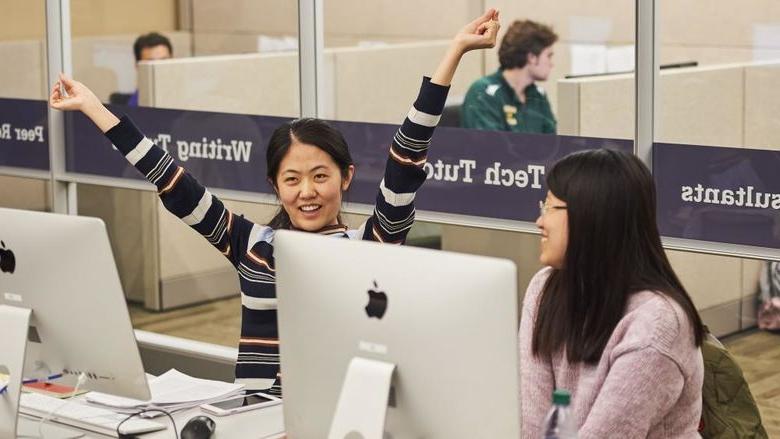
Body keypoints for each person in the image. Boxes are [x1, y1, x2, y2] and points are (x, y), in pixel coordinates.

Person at [50, 10, 500, 395]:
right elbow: (169, 178)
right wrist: (94, 107)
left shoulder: (372, 246)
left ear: (345, 178)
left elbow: (406, 156)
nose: (307, 192)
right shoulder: (252, 245)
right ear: (275, 185)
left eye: (320, 176)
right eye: (292, 179)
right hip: (250, 417)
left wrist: (454, 54)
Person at [520, 149, 705, 438]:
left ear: (592, 216)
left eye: (550, 207)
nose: (539, 221)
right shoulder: (545, 288)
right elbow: (533, 424)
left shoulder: (658, 323)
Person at [461, 19, 557, 133]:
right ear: (532, 57)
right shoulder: (483, 92)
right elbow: (490, 147)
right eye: (549, 56)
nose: (552, 64)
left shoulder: (538, 95)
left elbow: (552, 145)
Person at [111, 32, 173, 106]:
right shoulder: (123, 107)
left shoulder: (188, 99)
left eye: (164, 61)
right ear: (137, 66)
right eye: (151, 64)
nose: (158, 70)